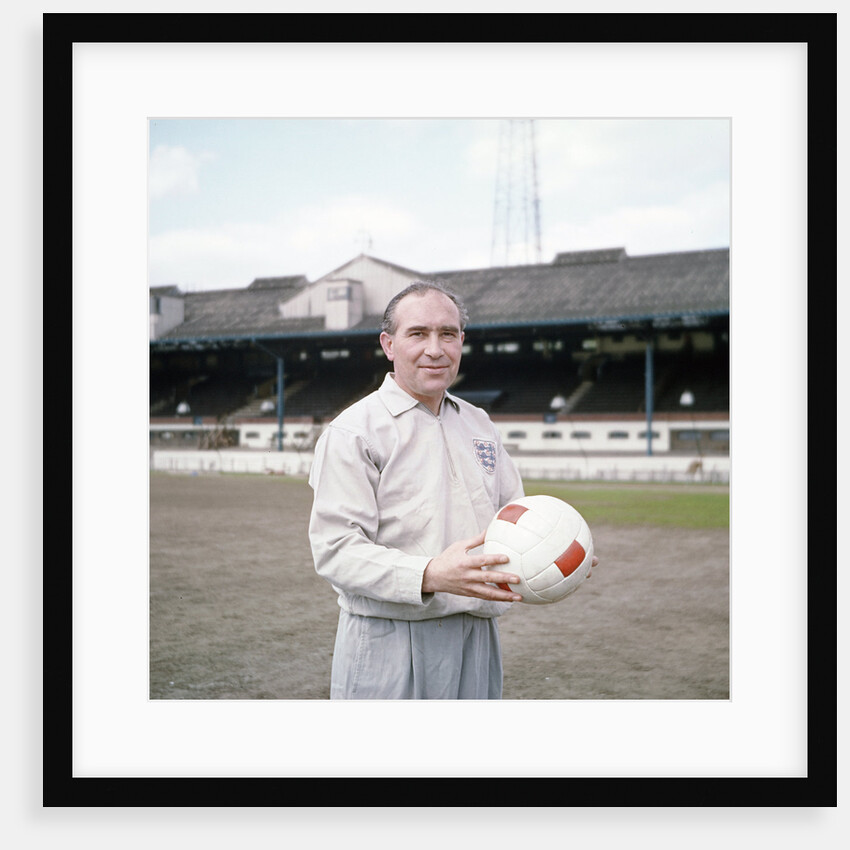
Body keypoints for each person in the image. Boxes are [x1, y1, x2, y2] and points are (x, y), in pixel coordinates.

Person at [307, 280, 528, 699]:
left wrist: (557, 548)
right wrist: (429, 575)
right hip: (390, 639)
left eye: (447, 333)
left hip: (478, 636)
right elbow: (335, 549)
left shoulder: (479, 423)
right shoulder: (354, 432)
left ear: (461, 341)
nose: (435, 348)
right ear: (388, 344)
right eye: (418, 334)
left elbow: (514, 517)